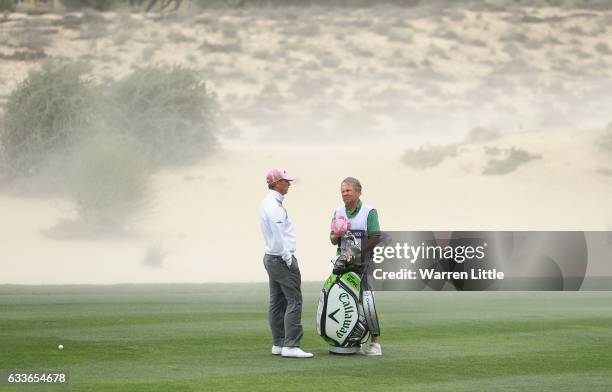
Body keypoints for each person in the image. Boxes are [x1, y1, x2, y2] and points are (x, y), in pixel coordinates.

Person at [259, 168, 313, 358]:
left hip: (271, 257)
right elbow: (278, 234)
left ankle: (279, 343)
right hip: (281, 258)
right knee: (294, 300)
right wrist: (287, 256)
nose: (289, 184)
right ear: (275, 183)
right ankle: (291, 345)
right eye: (285, 181)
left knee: (277, 301)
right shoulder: (273, 206)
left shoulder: (269, 202)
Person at [330, 177, 382, 356]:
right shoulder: (338, 211)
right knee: (347, 303)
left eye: (348, 190)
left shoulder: (369, 212)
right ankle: (354, 340)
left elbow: (375, 237)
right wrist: (336, 234)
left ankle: (375, 343)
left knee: (367, 303)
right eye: (342, 191)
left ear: (359, 192)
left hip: (365, 263)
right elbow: (332, 239)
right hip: (343, 264)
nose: (345, 194)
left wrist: (357, 252)